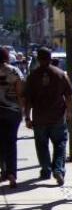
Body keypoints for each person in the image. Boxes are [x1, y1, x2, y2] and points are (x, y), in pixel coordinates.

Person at [23, 47, 72, 186]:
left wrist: (27, 117)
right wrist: (69, 112)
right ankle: (58, 169)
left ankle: (45, 169)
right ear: (50, 58)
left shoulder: (32, 76)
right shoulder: (60, 74)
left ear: (38, 59)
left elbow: (28, 100)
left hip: (40, 117)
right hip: (57, 116)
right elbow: (69, 95)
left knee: (41, 145)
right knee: (60, 144)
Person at [0, 47, 25, 188]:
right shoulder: (15, 71)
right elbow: (20, 93)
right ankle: (12, 174)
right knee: (11, 142)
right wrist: (23, 111)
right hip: (12, 111)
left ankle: (4, 171)